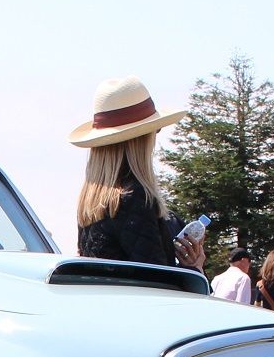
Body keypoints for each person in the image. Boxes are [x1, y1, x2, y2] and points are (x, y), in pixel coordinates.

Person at [71, 76, 204, 271]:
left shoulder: (92, 201)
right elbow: (157, 282)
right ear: (140, 139)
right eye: (155, 129)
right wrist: (193, 269)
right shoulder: (133, 197)